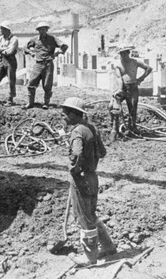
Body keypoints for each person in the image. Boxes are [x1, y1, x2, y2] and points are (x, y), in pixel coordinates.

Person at [61, 97, 116, 266]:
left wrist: (74, 169)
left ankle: (90, 258)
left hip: (82, 179)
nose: (63, 116)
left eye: (65, 113)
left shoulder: (77, 131)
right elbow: (102, 152)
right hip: (92, 177)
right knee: (90, 214)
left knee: (83, 218)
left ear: (73, 114)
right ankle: (108, 246)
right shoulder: (91, 128)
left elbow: (77, 153)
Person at [24, 22, 68, 109]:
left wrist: (58, 52)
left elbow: (64, 46)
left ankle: (46, 103)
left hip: (48, 64)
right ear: (38, 31)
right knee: (31, 83)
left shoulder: (52, 38)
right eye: (40, 29)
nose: (42, 31)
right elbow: (25, 47)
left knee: (47, 85)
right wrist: (31, 53)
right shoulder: (34, 39)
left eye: (44, 29)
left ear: (47, 29)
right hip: (38, 64)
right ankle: (30, 103)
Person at [112, 45, 152, 133]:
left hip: (133, 88)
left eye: (124, 53)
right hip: (122, 88)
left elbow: (149, 68)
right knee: (113, 106)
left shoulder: (135, 62)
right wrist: (119, 89)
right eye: (121, 54)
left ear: (128, 53)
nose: (123, 56)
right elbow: (119, 78)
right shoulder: (118, 65)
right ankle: (114, 128)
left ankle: (132, 128)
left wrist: (140, 79)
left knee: (133, 109)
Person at [0, 21, 18, 105]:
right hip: (2, 60)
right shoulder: (1, 38)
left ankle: (10, 99)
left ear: (7, 29)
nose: (1, 31)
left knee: (11, 81)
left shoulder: (14, 39)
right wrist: (3, 49)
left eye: (2, 29)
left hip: (11, 61)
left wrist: (1, 49)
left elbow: (10, 51)